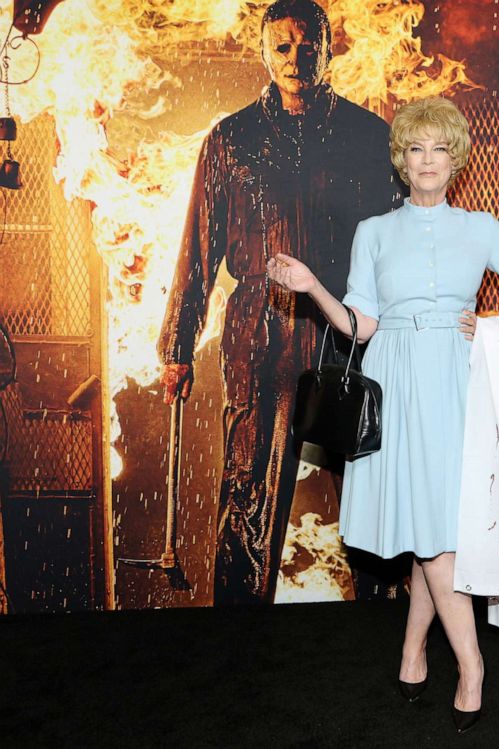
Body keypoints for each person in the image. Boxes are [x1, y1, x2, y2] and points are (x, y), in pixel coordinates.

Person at [266, 96, 499, 732]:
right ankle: (412, 652)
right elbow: (360, 324)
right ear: (401, 160)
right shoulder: (375, 232)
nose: (427, 161)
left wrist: (493, 326)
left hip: (456, 382)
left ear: (455, 160)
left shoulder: (479, 227)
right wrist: (312, 285)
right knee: (429, 530)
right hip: (394, 382)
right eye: (416, 149)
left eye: (440, 149)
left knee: (436, 535)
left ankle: (470, 666)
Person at [157, 0, 402, 606]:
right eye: (284, 47)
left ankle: (386, 632)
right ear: (263, 53)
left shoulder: (368, 138)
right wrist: (176, 347)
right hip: (259, 335)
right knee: (248, 486)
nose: (297, 58)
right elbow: (199, 247)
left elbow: (399, 244)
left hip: (346, 331)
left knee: (368, 477)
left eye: (308, 44)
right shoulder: (232, 140)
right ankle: (241, 642)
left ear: (328, 47)